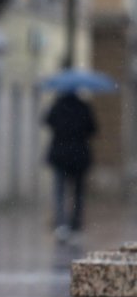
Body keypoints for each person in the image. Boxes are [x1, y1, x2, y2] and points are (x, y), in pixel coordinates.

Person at [45, 91, 97, 236]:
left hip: (60, 155)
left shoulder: (57, 106)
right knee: (78, 191)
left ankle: (61, 223)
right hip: (79, 156)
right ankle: (76, 222)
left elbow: (47, 121)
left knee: (59, 191)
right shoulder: (84, 107)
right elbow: (93, 129)